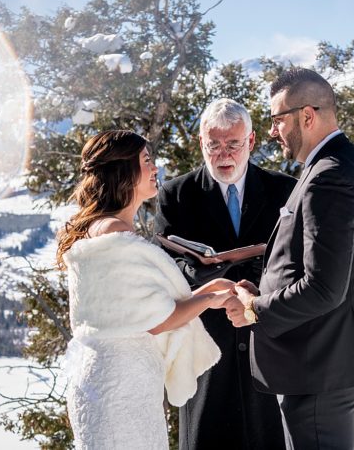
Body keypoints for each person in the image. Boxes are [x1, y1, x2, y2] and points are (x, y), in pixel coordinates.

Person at [226, 68, 354, 450]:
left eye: (277, 120)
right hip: (323, 368)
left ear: (307, 116)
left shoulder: (328, 177)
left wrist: (255, 308)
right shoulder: (336, 164)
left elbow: (325, 288)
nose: (272, 131)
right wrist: (262, 287)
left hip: (320, 370)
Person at [57, 130, 234, 450]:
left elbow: (135, 308)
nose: (155, 168)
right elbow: (157, 318)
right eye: (147, 161)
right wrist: (210, 299)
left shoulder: (95, 228)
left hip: (104, 374)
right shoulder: (115, 232)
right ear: (123, 170)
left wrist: (210, 288)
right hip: (122, 383)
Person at [155, 98, 295, 450]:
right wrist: (218, 289)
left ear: (250, 142)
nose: (223, 154)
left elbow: (294, 262)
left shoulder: (285, 190)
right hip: (205, 351)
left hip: (270, 344)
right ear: (201, 144)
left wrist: (247, 290)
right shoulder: (176, 194)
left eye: (232, 144)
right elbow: (168, 268)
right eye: (213, 145)